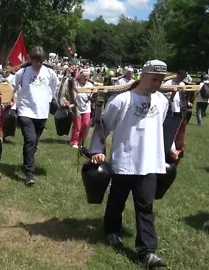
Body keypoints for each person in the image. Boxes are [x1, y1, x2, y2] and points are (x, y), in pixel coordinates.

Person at [90, 60, 179, 268]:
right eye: (154, 79)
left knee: (145, 205)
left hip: (149, 162)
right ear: (143, 76)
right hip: (125, 160)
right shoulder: (122, 100)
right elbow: (103, 126)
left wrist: (171, 146)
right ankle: (112, 231)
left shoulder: (162, 102)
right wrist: (96, 150)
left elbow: (162, 128)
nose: (158, 83)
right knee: (117, 200)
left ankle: (147, 251)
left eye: (160, 80)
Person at [14, 46, 59, 186]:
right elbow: (12, 87)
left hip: (42, 113)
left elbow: (55, 88)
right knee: (30, 140)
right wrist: (10, 100)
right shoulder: (23, 72)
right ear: (31, 59)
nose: (37, 63)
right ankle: (29, 174)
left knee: (33, 143)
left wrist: (56, 99)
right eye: (35, 60)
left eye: (40, 60)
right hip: (26, 111)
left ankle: (25, 163)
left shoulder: (50, 73)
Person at [69, 69, 92, 148]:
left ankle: (80, 142)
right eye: (84, 76)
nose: (86, 78)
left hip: (87, 108)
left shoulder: (90, 85)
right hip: (77, 108)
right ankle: (74, 142)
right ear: (80, 76)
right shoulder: (76, 84)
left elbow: (92, 95)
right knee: (77, 126)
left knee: (85, 125)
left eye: (87, 76)